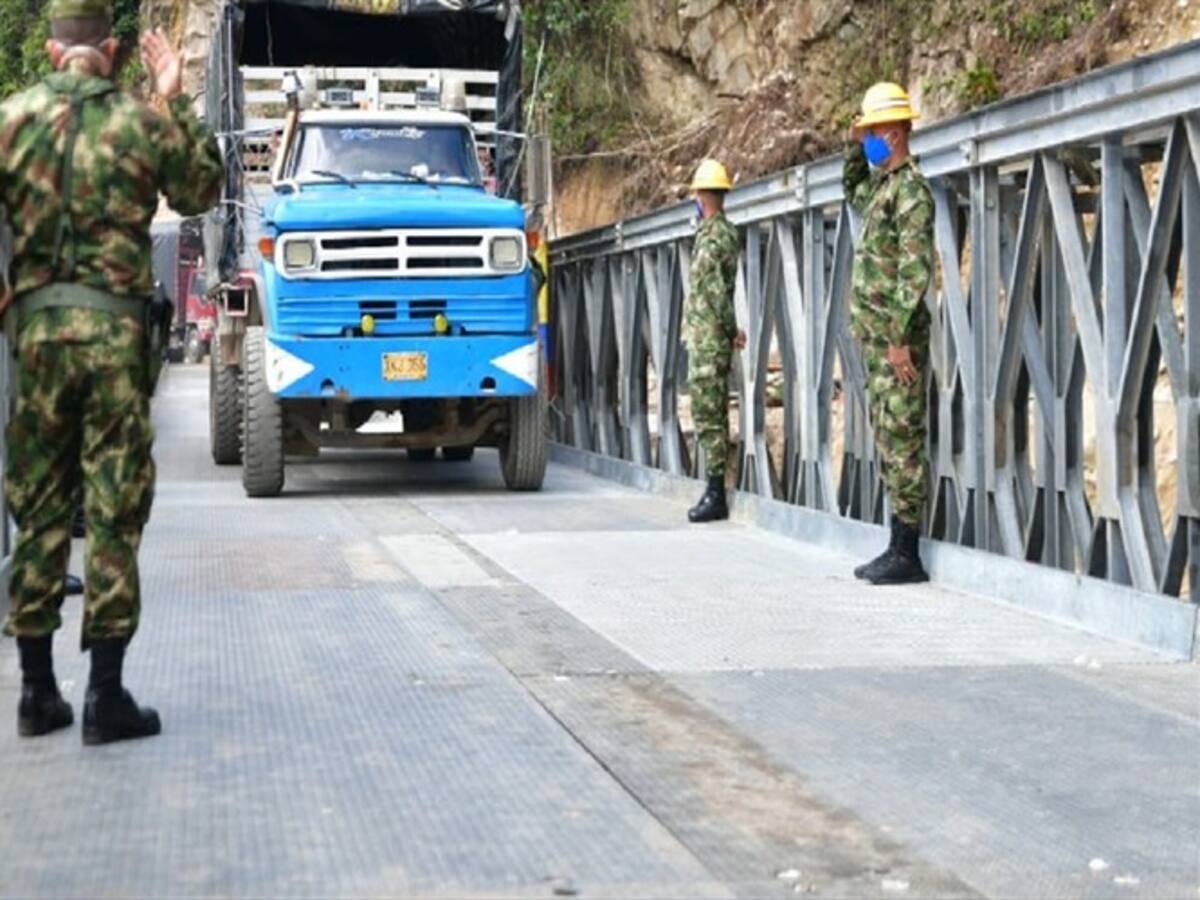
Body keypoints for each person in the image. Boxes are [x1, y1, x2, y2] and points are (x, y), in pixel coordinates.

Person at [0, 0, 223, 742]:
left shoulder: (12, 116)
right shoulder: (140, 122)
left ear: (52, 46)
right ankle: (105, 697)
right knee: (112, 506)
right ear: (115, 48)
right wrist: (175, 97)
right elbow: (200, 191)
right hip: (116, 344)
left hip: (35, 339)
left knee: (38, 503)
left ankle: (35, 693)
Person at [843, 82, 935, 585]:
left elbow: (913, 274)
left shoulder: (911, 193)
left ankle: (908, 551)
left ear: (897, 134)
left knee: (903, 437)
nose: (870, 140)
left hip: (897, 343)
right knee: (886, 435)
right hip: (878, 341)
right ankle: (895, 544)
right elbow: (849, 187)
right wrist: (852, 140)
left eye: (875, 132)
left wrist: (899, 338)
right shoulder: (880, 189)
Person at [684, 159, 746, 523]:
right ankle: (713, 488)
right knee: (710, 411)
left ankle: (715, 491)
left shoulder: (714, 237)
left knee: (709, 413)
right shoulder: (718, 233)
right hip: (709, 335)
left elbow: (715, 294)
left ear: (702, 195)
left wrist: (726, 329)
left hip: (709, 340)